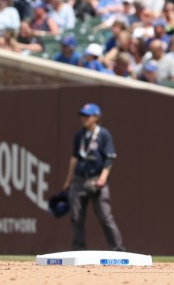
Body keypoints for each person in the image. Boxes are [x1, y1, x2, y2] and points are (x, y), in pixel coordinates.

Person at [62, 103, 124, 251]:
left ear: (96, 117)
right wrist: (68, 180)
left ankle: (118, 249)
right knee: (76, 217)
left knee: (105, 216)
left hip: (96, 179)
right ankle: (78, 249)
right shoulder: (79, 135)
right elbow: (74, 158)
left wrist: (102, 179)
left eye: (87, 116)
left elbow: (109, 159)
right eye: (82, 115)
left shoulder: (103, 134)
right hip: (79, 179)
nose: (84, 119)